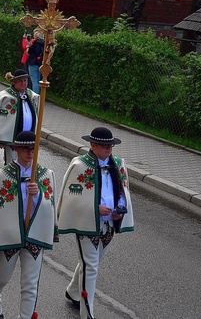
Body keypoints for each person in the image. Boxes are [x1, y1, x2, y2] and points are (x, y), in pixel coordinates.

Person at [0, 131, 58, 319]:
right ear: (17, 149)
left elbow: (50, 206)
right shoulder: (3, 176)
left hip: (34, 235)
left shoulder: (46, 175)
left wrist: (39, 195)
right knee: (3, 277)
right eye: (26, 149)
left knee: (30, 283)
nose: (30, 153)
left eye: (34, 149)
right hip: (11, 235)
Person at [57, 127, 134, 319]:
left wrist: (120, 211)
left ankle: (73, 291)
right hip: (87, 223)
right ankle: (87, 314)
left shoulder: (118, 163)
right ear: (92, 145)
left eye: (111, 145)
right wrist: (94, 207)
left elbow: (124, 191)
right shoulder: (80, 165)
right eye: (105, 145)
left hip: (109, 224)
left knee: (92, 261)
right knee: (91, 266)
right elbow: (71, 196)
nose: (109, 148)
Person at [0, 69, 39, 165]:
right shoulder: (5, 96)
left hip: (28, 137)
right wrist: (0, 138)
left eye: (25, 80)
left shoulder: (32, 96)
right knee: (12, 163)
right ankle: (11, 179)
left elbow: (38, 115)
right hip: (11, 139)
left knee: (27, 162)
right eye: (20, 81)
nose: (23, 83)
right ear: (14, 82)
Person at [26, 29, 45, 94]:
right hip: (40, 63)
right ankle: (39, 95)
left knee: (34, 81)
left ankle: (35, 96)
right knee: (38, 80)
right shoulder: (44, 43)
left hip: (33, 62)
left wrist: (28, 46)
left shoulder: (35, 43)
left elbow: (29, 52)